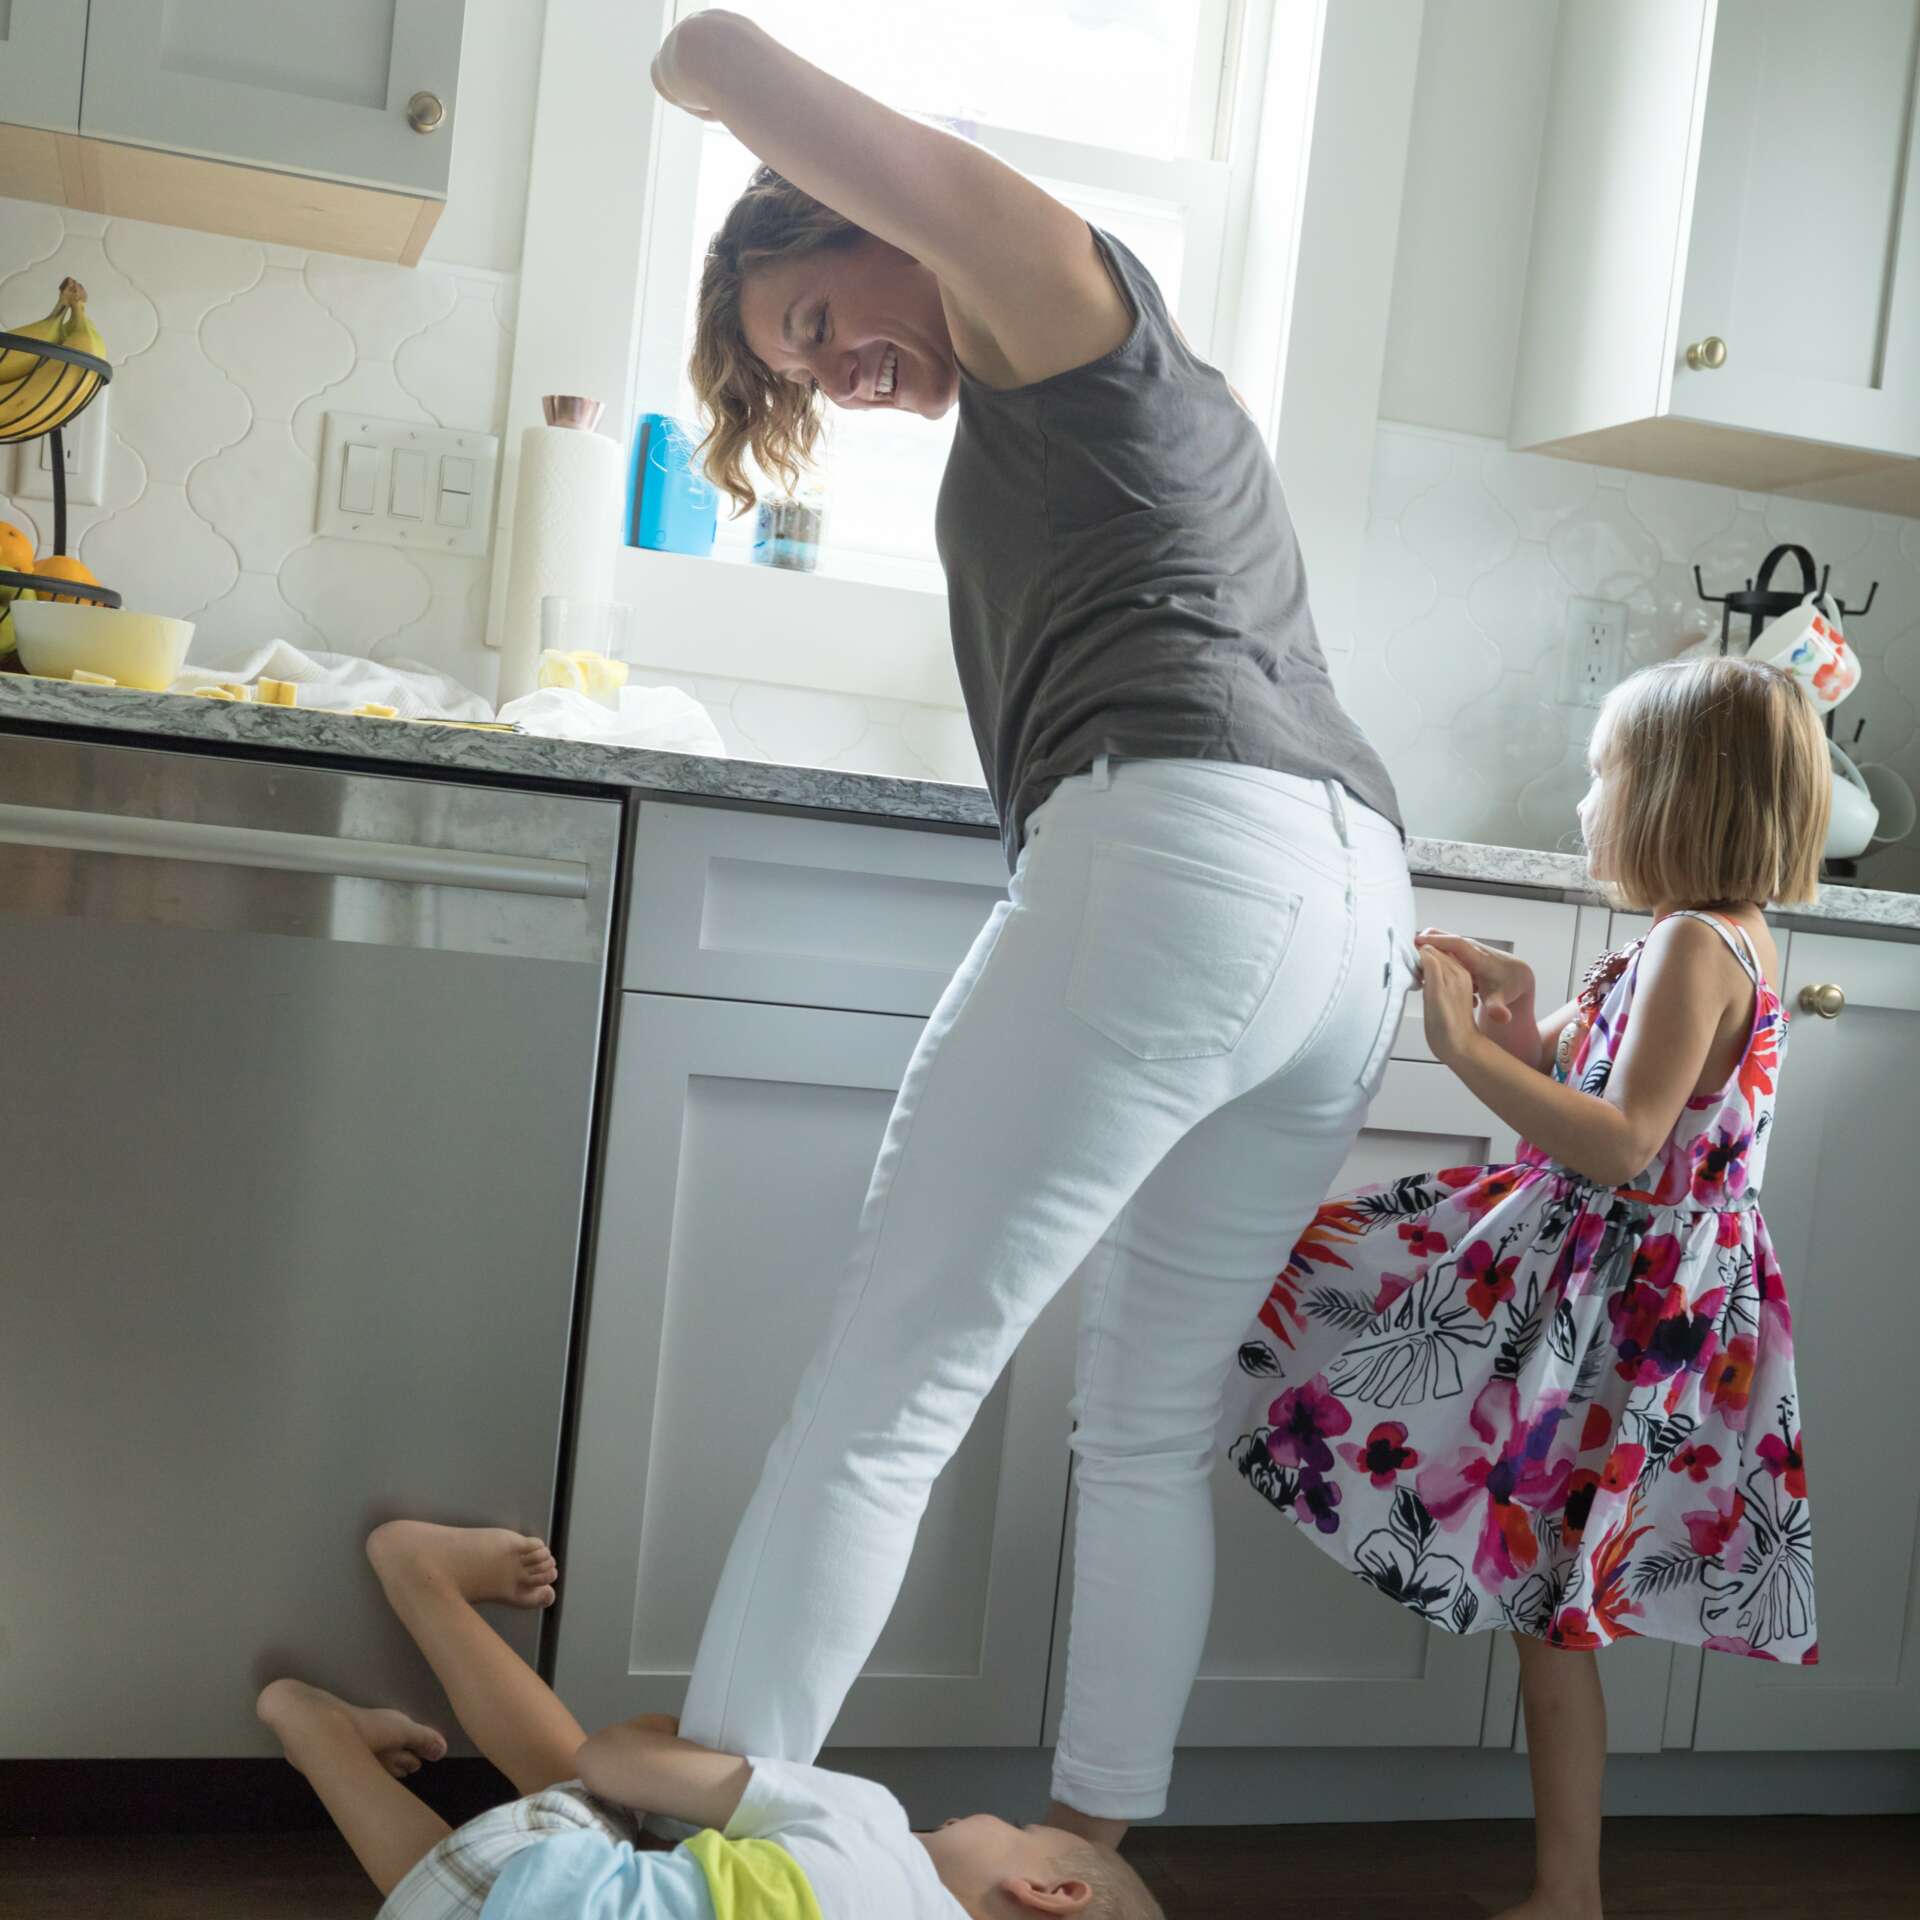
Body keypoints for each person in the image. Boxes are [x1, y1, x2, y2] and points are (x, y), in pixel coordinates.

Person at [650, 9, 1412, 1847]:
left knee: (884, 1398)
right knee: (1143, 1429)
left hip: (1185, 856)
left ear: (852, 212)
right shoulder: (1110, 387)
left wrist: (681, 84)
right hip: (1349, 905)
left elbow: (710, 43)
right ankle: (1081, 1867)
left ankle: (700, 1877)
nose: (837, 376)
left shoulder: (1041, 280)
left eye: (816, 318)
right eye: (801, 370)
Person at [1226, 657, 1829, 1920]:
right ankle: (1569, 1893)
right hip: (1608, 1300)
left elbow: (1619, 1144)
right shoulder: (1690, 939)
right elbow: (1586, 1083)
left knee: (1554, 1611)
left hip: (1622, 1318)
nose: (1588, 801)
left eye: (1607, 774)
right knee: (1553, 1612)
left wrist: (1458, 1051)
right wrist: (1515, 1017)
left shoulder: (1694, 945)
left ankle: (1571, 1895)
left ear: (1677, 794)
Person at [255, 1520, 1161, 1918]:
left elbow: (608, 1762)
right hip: (445, 1908)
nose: (977, 1815)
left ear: (1046, 1893)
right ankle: (316, 1732)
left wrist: (656, 1738)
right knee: (457, 1897)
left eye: (1019, 1830)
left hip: (524, 1888)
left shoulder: (873, 1823)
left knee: (608, 1802)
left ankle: (420, 1574)